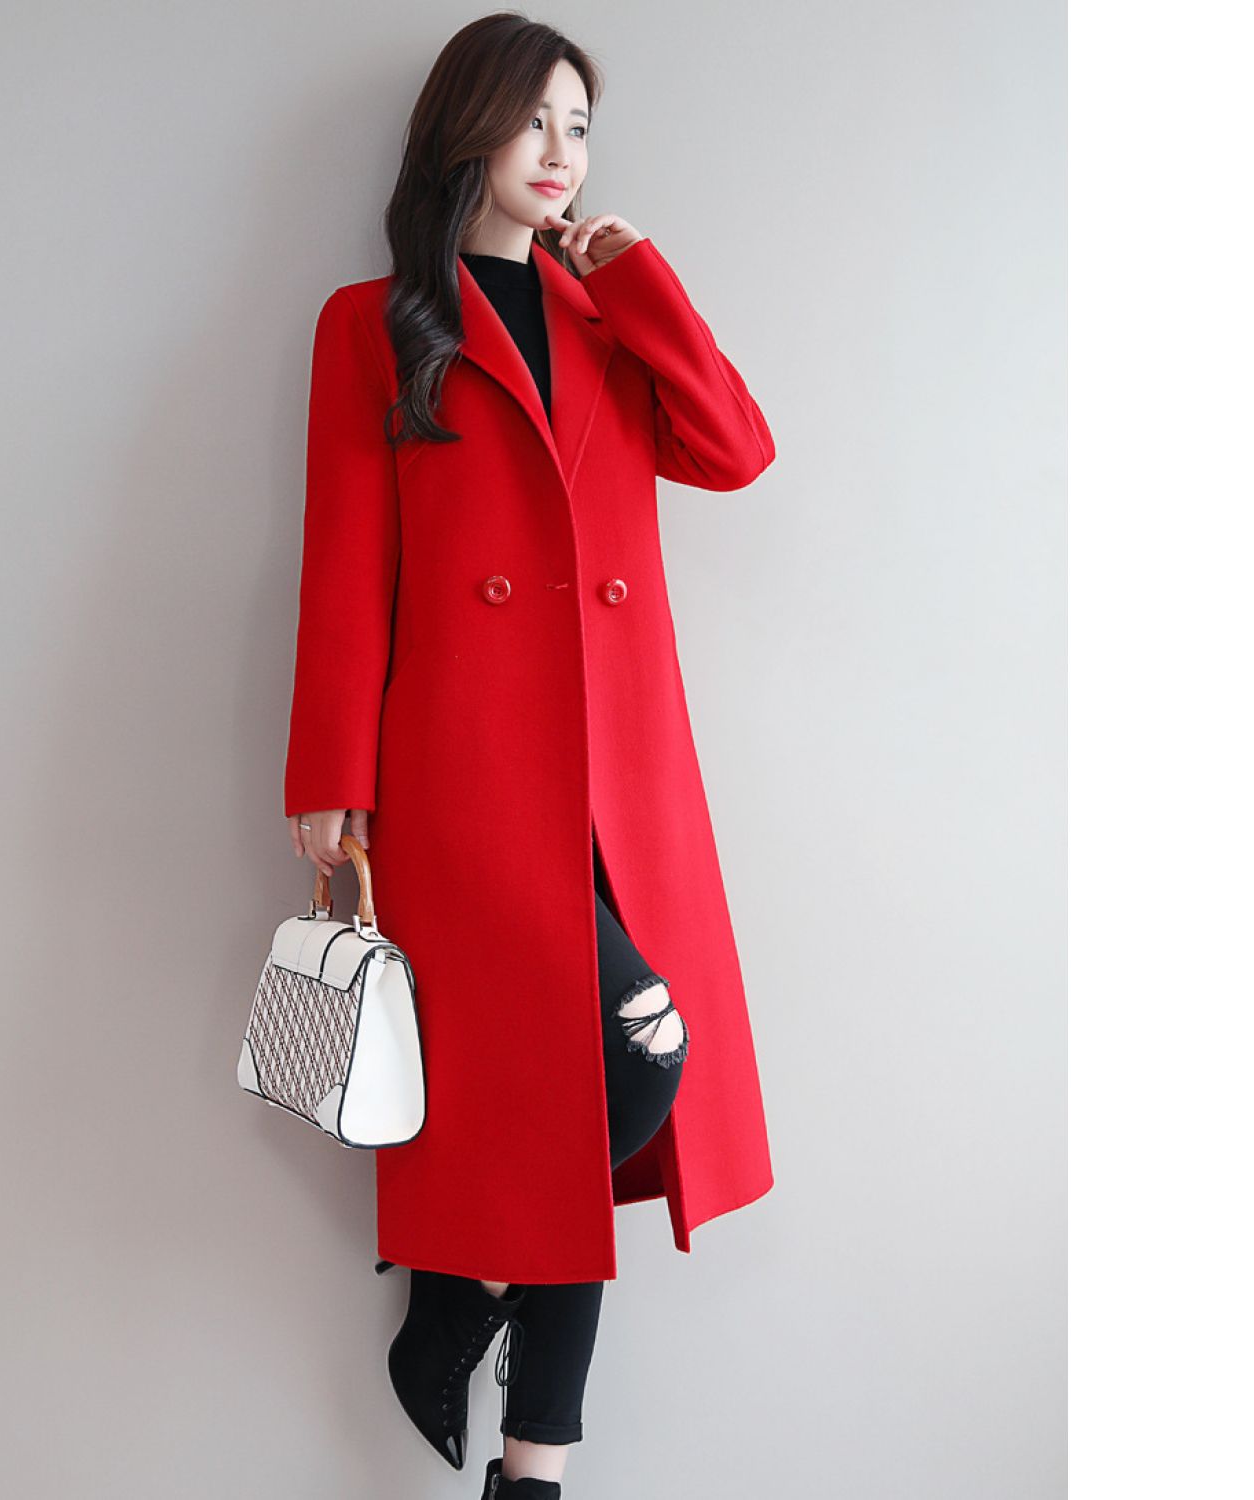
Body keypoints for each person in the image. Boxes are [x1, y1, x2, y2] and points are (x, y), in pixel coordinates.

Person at [283, 14, 776, 1499]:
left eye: (581, 127)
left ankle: (520, 1444)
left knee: (604, 1092)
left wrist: (641, 280)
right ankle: (473, 1332)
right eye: (537, 121)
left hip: (619, 768)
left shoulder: (608, 315)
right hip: (471, 775)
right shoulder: (374, 323)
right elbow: (345, 560)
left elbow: (735, 449)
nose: (563, 154)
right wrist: (328, 775)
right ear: (469, 131)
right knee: (611, 1071)